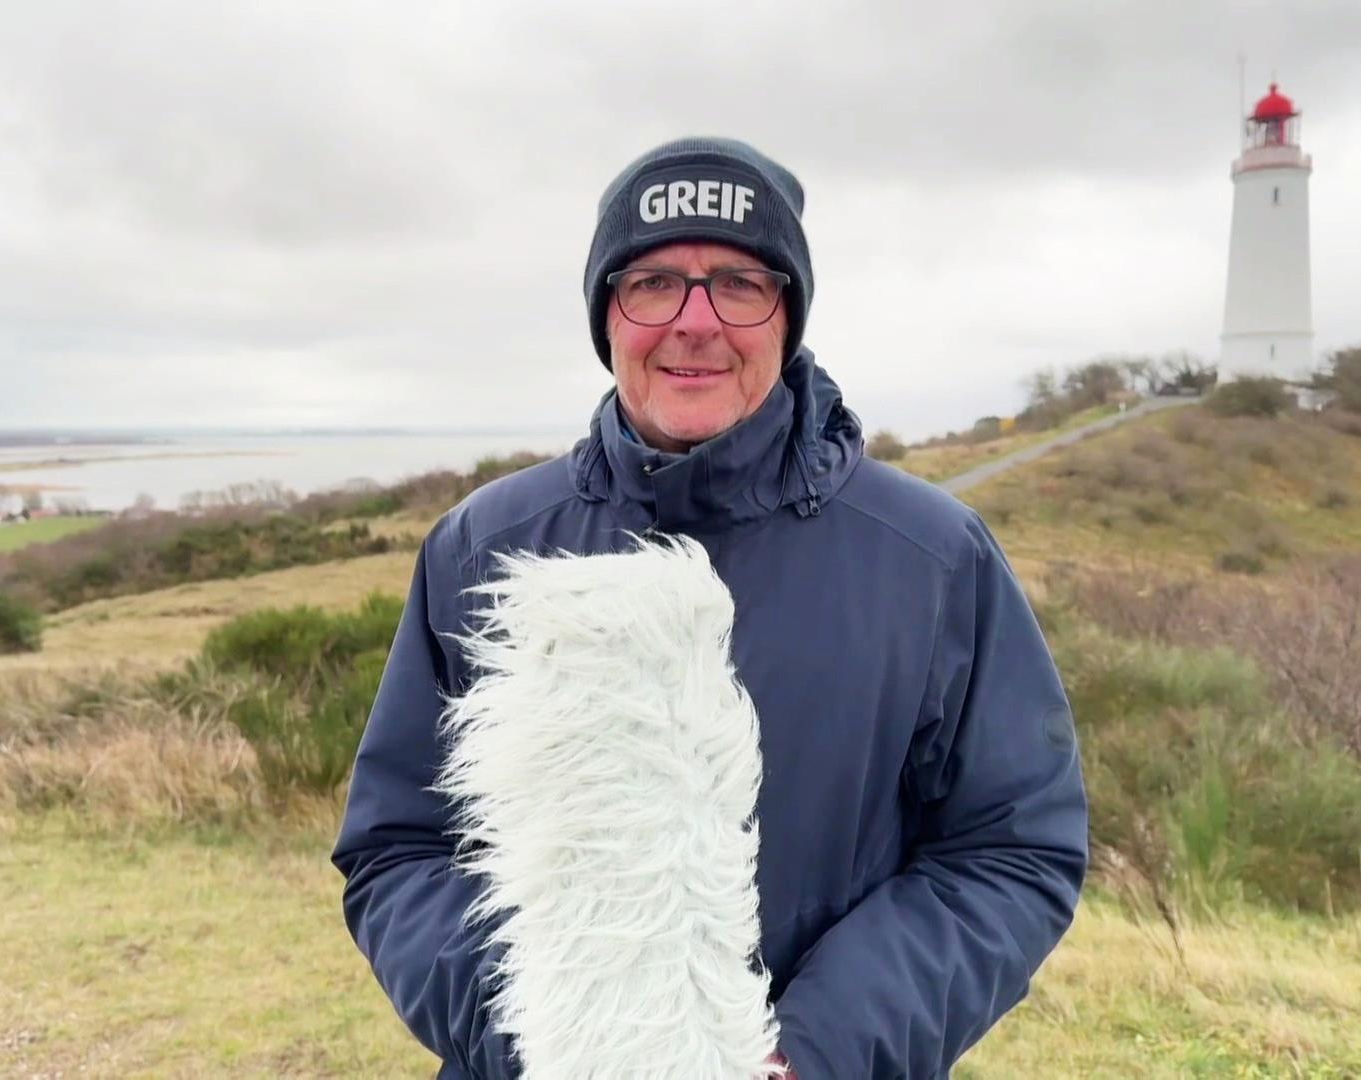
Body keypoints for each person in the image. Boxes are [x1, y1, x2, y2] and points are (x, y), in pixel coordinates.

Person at [331, 136, 1088, 1079]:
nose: (695, 322)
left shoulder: (933, 557)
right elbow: (398, 847)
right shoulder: (484, 545)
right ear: (607, 313)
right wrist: (544, 1033)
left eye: (739, 282)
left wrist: (810, 1053)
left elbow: (1010, 853)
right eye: (652, 283)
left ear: (789, 315)